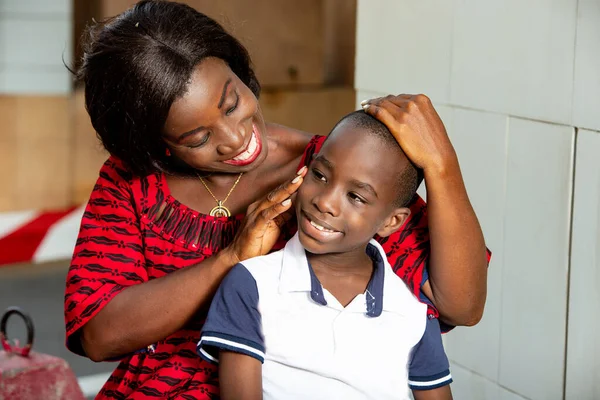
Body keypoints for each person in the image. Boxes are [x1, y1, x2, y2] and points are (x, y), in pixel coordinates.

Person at [64, 1, 489, 398]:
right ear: (157, 146)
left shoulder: (329, 178)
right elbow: (98, 335)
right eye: (198, 138)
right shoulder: (132, 182)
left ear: (237, 70)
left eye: (231, 104)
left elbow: (462, 306)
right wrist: (230, 259)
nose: (235, 140)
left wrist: (442, 167)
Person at [197, 110, 453, 400]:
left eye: (355, 196)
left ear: (391, 222)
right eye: (319, 175)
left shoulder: (413, 311)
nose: (324, 201)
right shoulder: (252, 285)